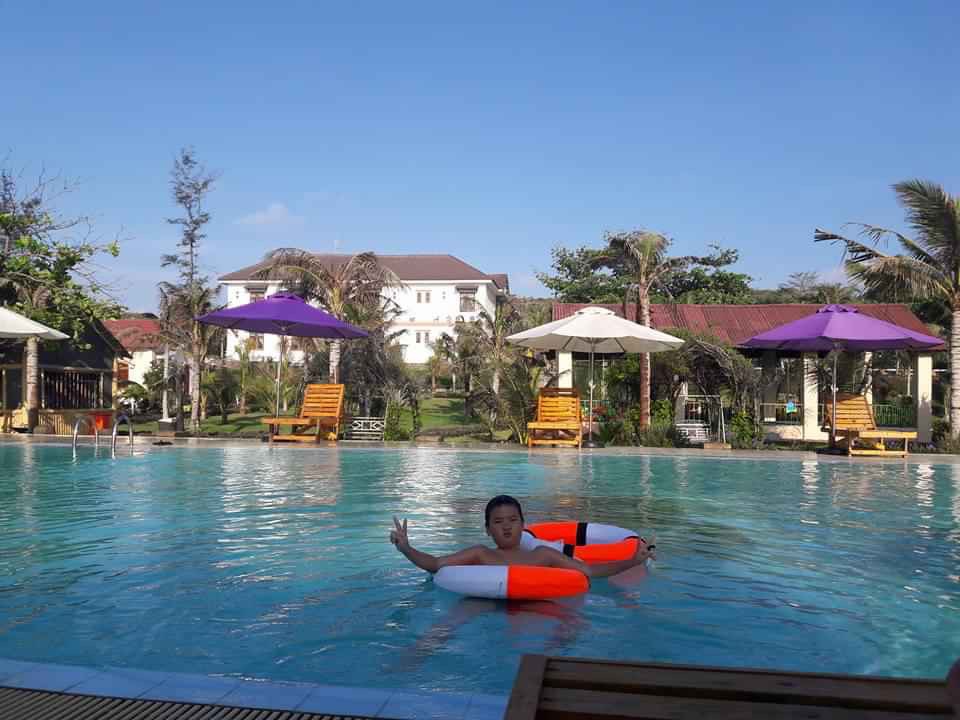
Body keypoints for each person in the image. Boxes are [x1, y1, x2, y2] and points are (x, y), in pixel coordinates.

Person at [390, 494, 655, 580]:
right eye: (498, 522)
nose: (506, 527)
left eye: (513, 520)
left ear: (523, 525)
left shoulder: (543, 555)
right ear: (487, 529)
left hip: (536, 605)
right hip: (486, 604)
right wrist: (407, 549)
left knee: (569, 626)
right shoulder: (480, 554)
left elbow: (588, 571)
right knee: (452, 621)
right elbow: (436, 564)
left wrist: (633, 561)